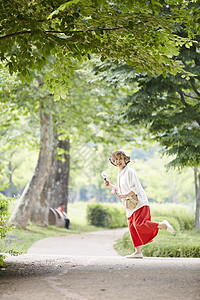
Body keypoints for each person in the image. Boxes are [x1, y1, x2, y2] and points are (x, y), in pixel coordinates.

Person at [105, 150, 175, 259]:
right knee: (132, 227)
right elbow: (120, 189)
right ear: (113, 162)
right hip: (129, 204)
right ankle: (138, 252)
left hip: (138, 202)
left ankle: (162, 225)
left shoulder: (129, 172)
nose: (117, 161)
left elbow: (136, 188)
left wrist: (125, 195)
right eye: (115, 160)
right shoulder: (119, 173)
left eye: (120, 159)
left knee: (139, 224)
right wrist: (110, 186)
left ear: (125, 159)